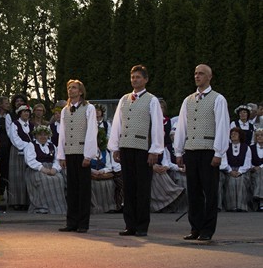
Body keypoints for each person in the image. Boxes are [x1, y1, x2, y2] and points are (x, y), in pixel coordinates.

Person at [173, 64, 230, 242]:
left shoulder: (218, 99)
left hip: (208, 150)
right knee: (194, 191)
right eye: (196, 73)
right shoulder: (188, 100)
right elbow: (182, 126)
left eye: (201, 74)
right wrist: (179, 151)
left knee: (210, 191)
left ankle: (207, 229)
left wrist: (219, 152)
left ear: (209, 77)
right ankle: (195, 227)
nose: (197, 76)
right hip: (191, 149)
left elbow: (222, 126)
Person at [108, 65, 164, 237]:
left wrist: (154, 150)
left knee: (142, 188)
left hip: (142, 149)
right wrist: (115, 147)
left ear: (145, 80)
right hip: (126, 147)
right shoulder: (124, 99)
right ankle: (129, 224)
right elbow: (117, 123)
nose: (135, 80)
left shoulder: (152, 100)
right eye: (133, 77)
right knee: (129, 187)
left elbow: (156, 126)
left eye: (138, 77)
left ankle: (141, 225)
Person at [57, 80, 97, 233]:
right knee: (72, 189)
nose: (70, 90)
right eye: (69, 87)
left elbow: (91, 132)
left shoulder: (89, 108)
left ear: (80, 91)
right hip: (69, 152)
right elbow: (62, 134)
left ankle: (83, 223)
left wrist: (88, 155)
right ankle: (71, 222)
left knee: (83, 189)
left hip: (82, 152)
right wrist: (61, 155)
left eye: (74, 88)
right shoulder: (65, 110)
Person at [24, 124, 66, 215]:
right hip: (36, 169)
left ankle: (57, 207)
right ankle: (43, 206)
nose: (43, 137)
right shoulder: (31, 145)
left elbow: (57, 159)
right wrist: (43, 169)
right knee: (44, 180)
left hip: (51, 168)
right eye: (40, 134)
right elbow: (30, 160)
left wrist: (55, 169)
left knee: (59, 178)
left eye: (45, 135)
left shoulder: (52, 145)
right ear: (36, 136)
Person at [5, 103, 33, 210]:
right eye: (24, 112)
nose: (26, 113)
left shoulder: (32, 125)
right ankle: (16, 201)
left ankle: (26, 201)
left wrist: (31, 148)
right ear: (20, 113)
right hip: (17, 152)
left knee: (27, 176)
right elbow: (14, 139)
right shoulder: (15, 124)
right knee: (17, 176)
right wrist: (27, 146)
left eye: (27, 112)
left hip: (29, 153)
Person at [220, 127, 252, 212]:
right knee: (231, 182)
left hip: (242, 170)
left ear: (240, 136)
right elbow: (224, 161)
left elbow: (247, 162)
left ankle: (241, 206)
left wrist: (240, 172)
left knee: (240, 181)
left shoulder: (246, 148)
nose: (233, 135)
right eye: (232, 134)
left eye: (235, 134)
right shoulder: (226, 147)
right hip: (229, 170)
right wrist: (230, 171)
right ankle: (231, 207)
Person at [90, 128, 120, 214]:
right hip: (91, 175)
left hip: (101, 174)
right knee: (93, 184)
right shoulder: (88, 152)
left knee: (110, 183)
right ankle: (96, 208)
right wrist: (93, 171)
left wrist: (102, 171)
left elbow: (109, 166)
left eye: (98, 139)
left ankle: (108, 207)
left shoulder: (104, 152)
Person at [0, 96, 11, 198]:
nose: (8, 105)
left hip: (6, 147)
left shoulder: (8, 117)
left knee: (5, 170)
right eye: (6, 103)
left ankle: (2, 192)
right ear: (0, 105)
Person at [251, 129, 263, 211]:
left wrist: (261, 167)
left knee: (261, 172)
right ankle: (262, 202)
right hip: (253, 171)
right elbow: (248, 160)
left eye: (261, 135)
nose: (259, 137)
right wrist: (253, 167)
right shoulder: (250, 148)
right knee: (259, 173)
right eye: (257, 135)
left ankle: (259, 197)